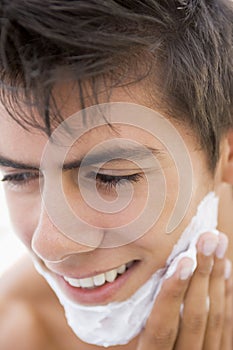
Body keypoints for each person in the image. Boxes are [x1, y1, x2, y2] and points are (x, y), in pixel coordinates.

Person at [0, 0, 233, 349]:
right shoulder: (18, 331)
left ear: (227, 155)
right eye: (19, 177)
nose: (50, 246)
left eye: (108, 178)